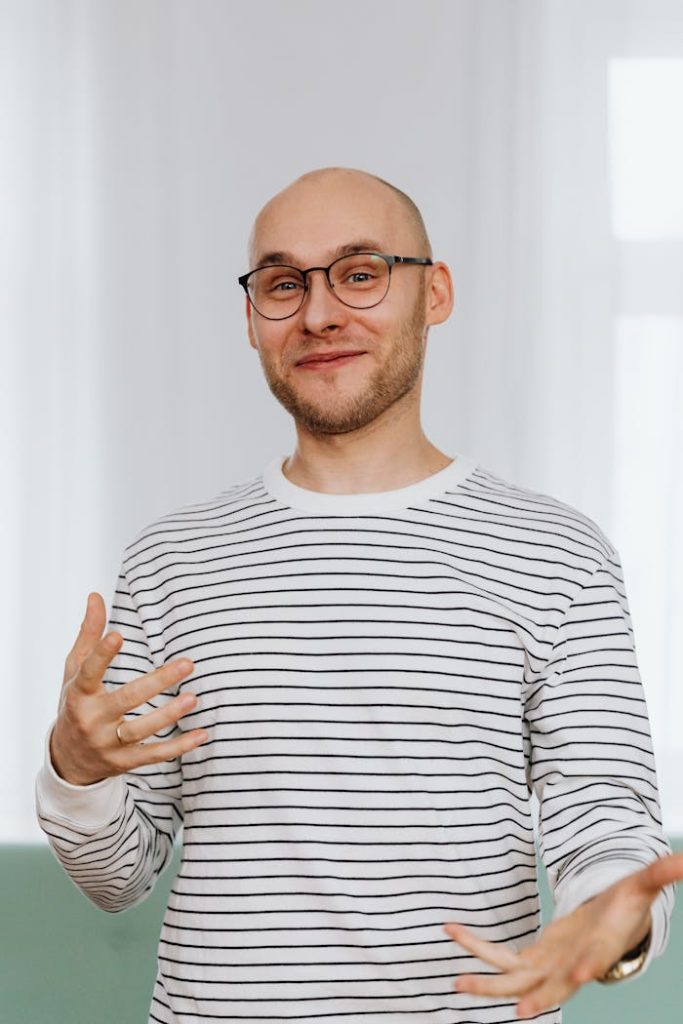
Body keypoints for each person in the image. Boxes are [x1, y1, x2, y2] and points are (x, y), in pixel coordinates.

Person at [36, 166, 683, 1024]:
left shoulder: (556, 553)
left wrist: (610, 921)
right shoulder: (171, 561)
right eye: (283, 284)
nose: (318, 313)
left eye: (360, 272)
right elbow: (119, 877)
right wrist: (74, 770)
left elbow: (602, 814)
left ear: (434, 292)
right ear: (251, 319)